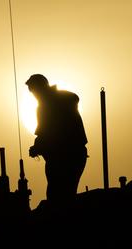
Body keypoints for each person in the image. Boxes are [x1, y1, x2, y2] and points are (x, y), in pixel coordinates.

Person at [26, 74, 88, 203]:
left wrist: (37, 148)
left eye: (33, 90)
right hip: (72, 156)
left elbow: (48, 134)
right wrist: (38, 147)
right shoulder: (56, 101)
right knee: (64, 195)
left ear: (39, 88)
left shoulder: (49, 105)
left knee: (58, 197)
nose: (33, 94)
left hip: (64, 158)